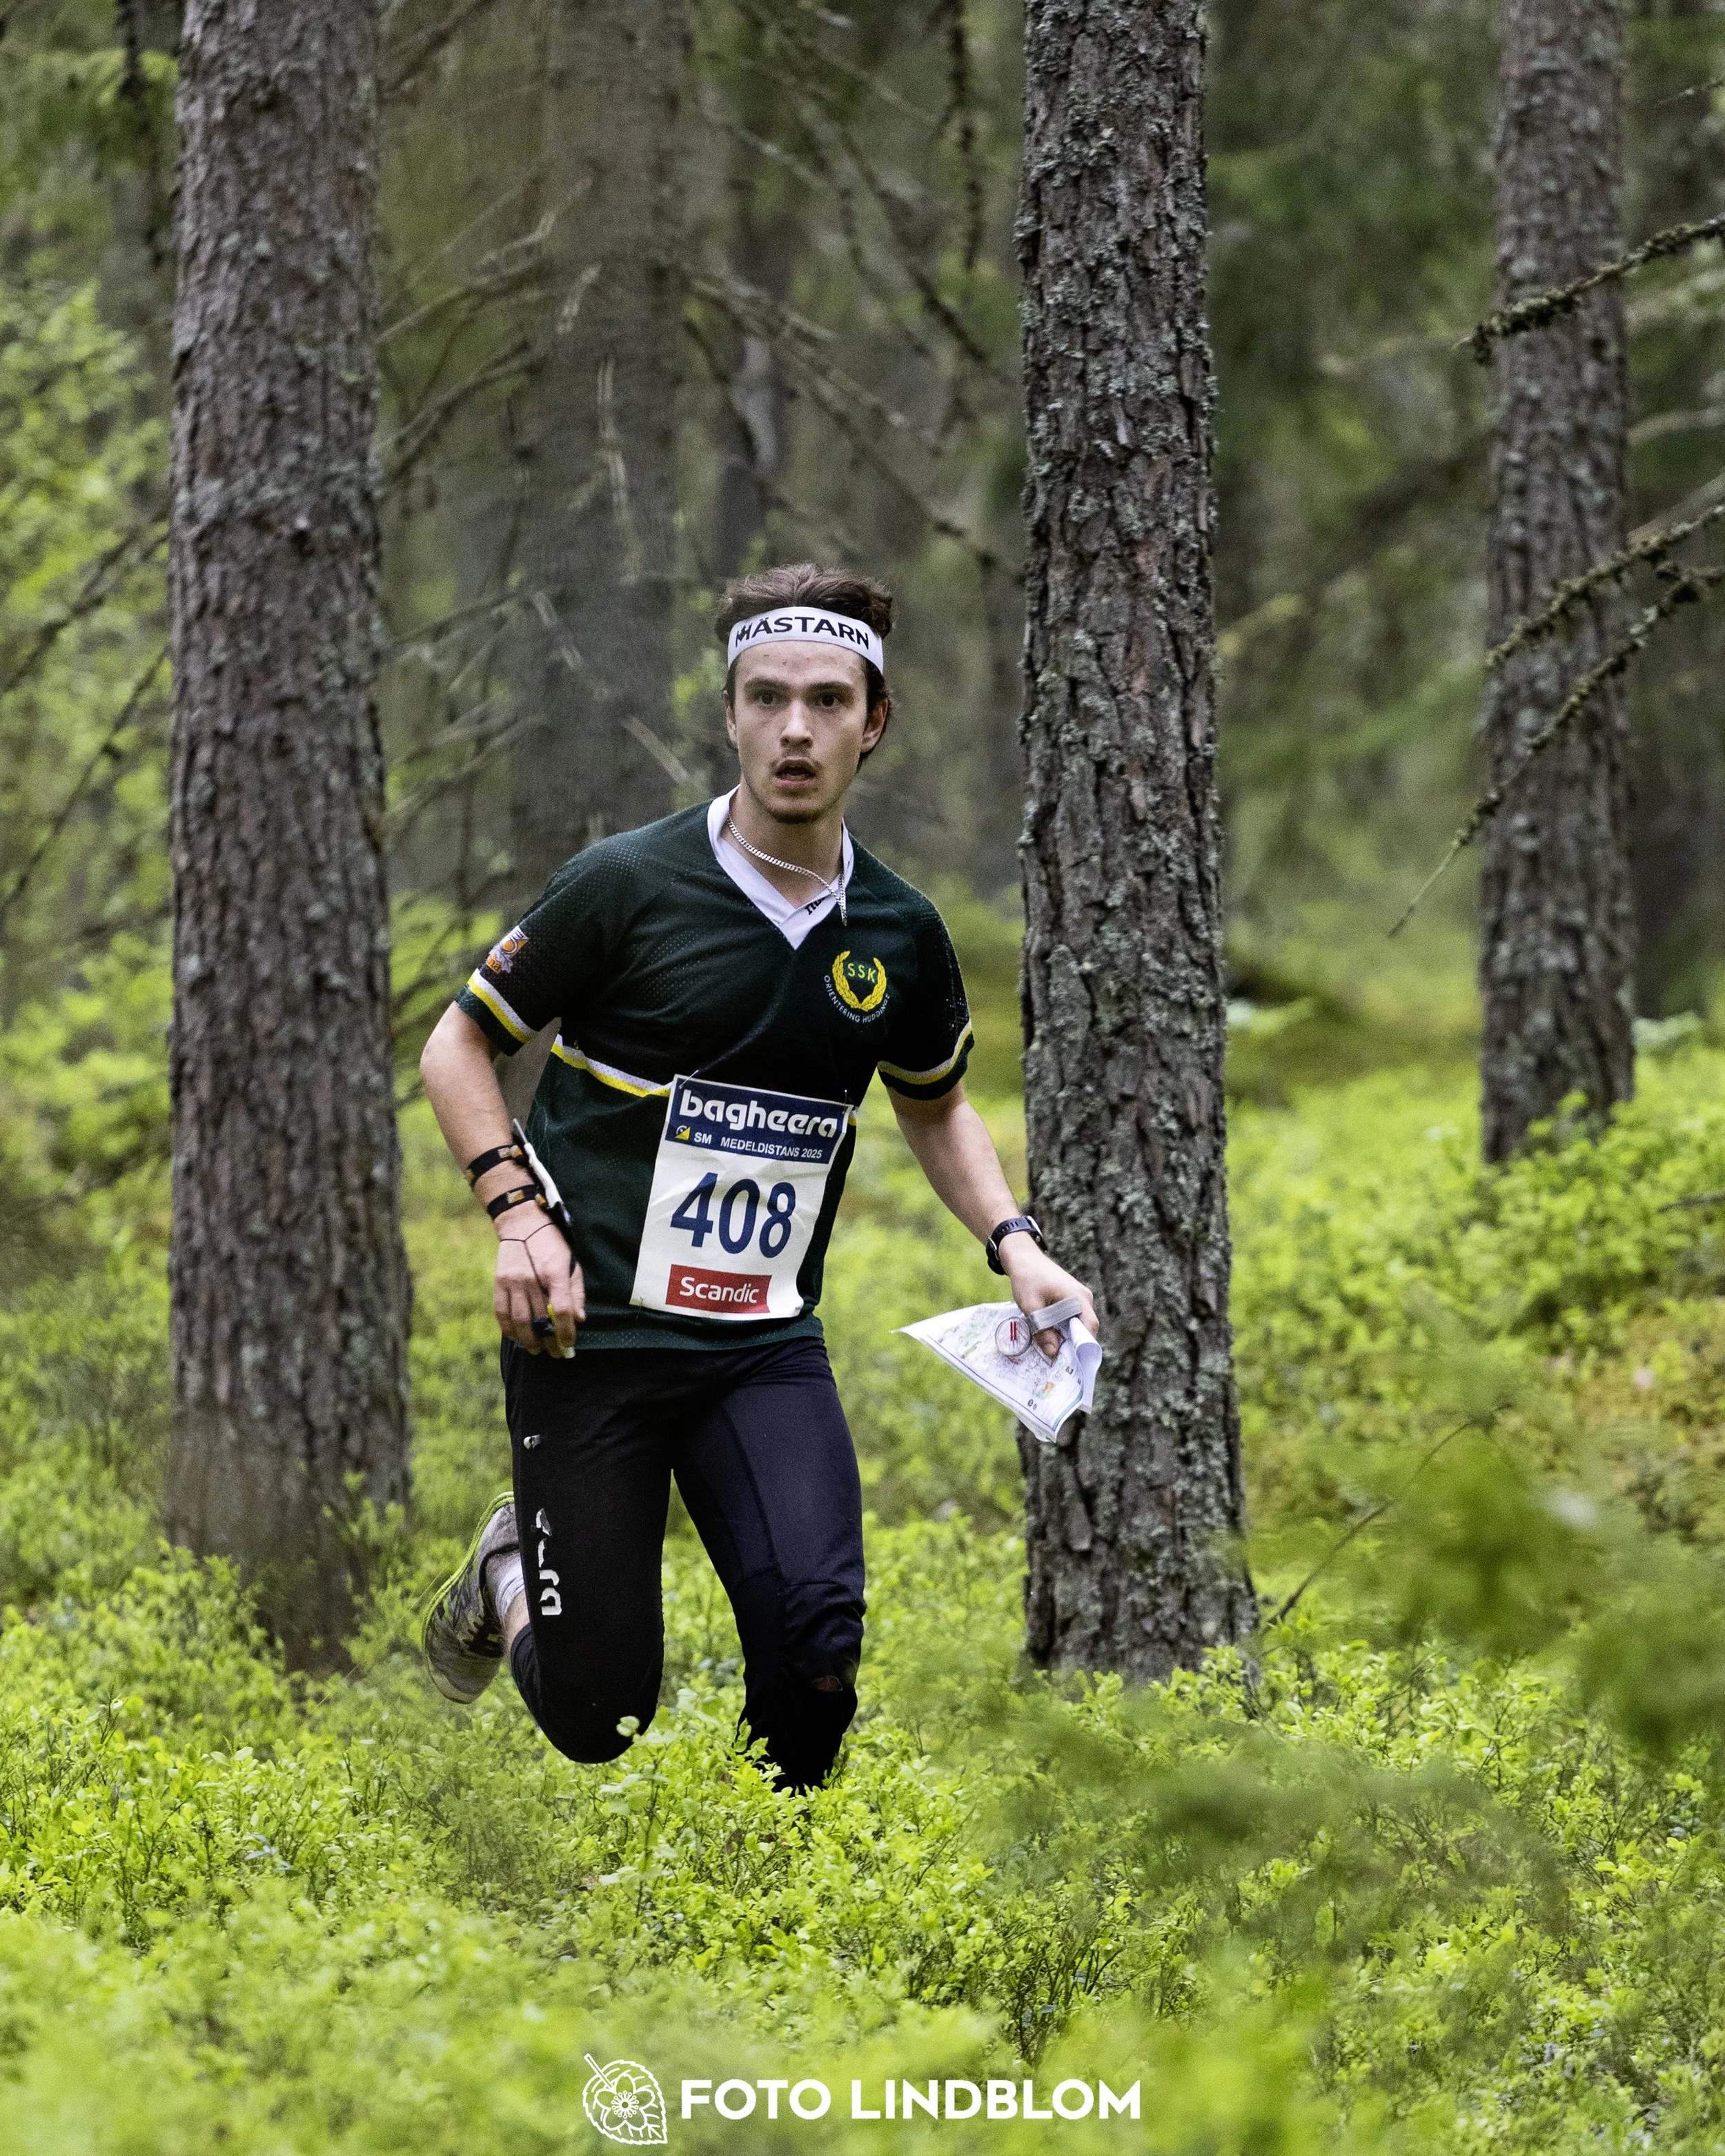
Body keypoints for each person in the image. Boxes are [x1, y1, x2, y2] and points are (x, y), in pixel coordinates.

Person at [417, 562, 1096, 1792]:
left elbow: (936, 1109)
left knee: (817, 1648)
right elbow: (459, 1043)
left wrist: (1016, 1240)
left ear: (873, 722)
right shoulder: (626, 883)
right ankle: (510, 1573)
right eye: (769, 698)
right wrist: (516, 1215)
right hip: (592, 1336)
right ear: (729, 714)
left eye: (830, 701)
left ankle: (767, 1886)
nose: (797, 729)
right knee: (597, 1716)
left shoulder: (899, 932)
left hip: (759, 1345)